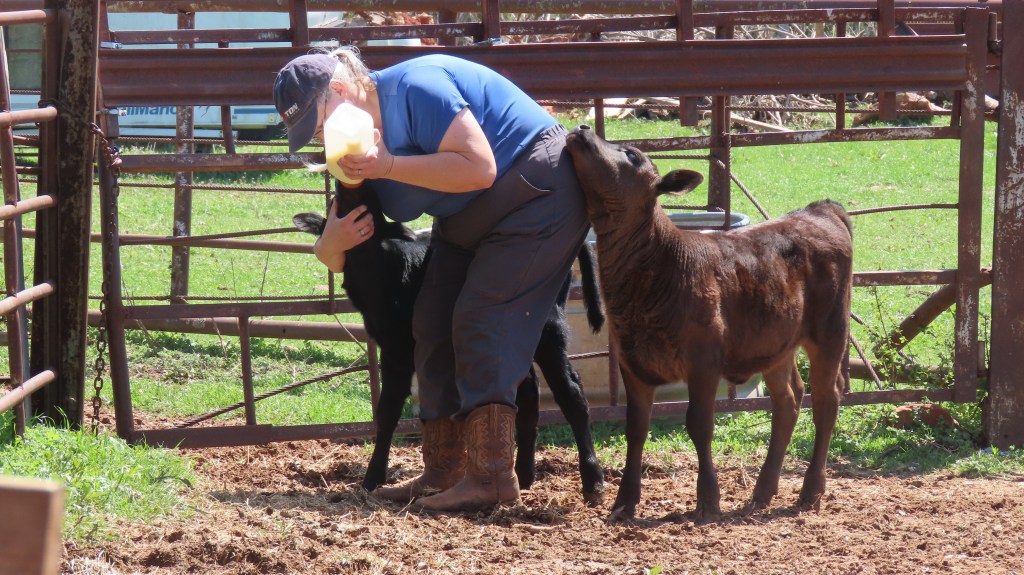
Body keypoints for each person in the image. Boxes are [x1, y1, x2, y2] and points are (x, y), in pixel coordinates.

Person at [273, 47, 589, 511]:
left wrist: (388, 166)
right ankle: (445, 469)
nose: (321, 139)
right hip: (467, 219)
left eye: (317, 125)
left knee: (482, 319)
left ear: (340, 91)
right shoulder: (350, 145)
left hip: (534, 190)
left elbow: (480, 167)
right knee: (432, 320)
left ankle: (492, 477)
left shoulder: (416, 88)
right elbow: (354, 247)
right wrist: (326, 246)